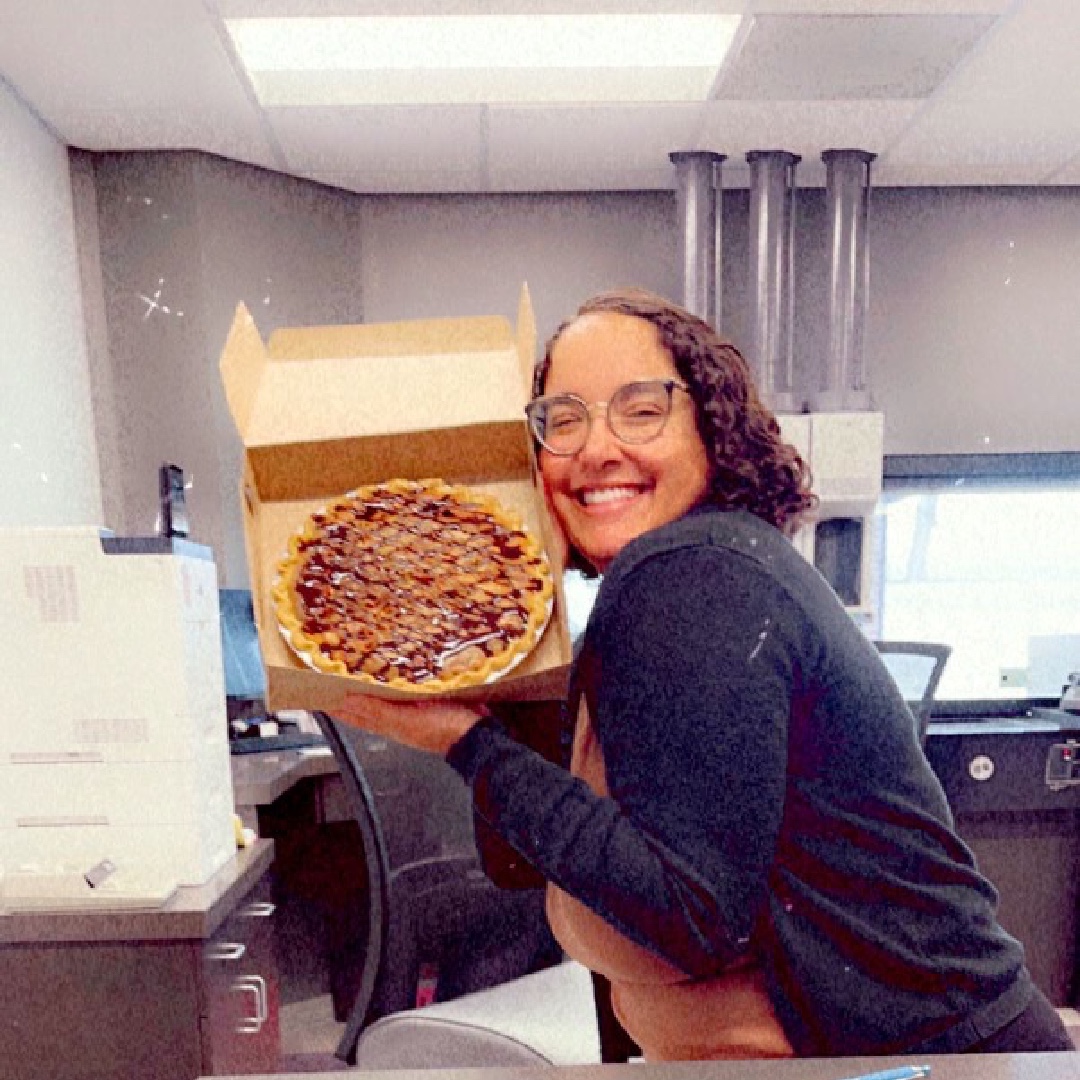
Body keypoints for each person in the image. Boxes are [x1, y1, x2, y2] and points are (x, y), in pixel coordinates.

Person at [335, 287, 1073, 1060]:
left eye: (641, 409)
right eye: (563, 419)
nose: (595, 448)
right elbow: (526, 860)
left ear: (709, 429)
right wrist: (511, 645)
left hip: (931, 1064)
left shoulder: (690, 574)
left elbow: (688, 918)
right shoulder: (676, 581)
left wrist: (464, 742)